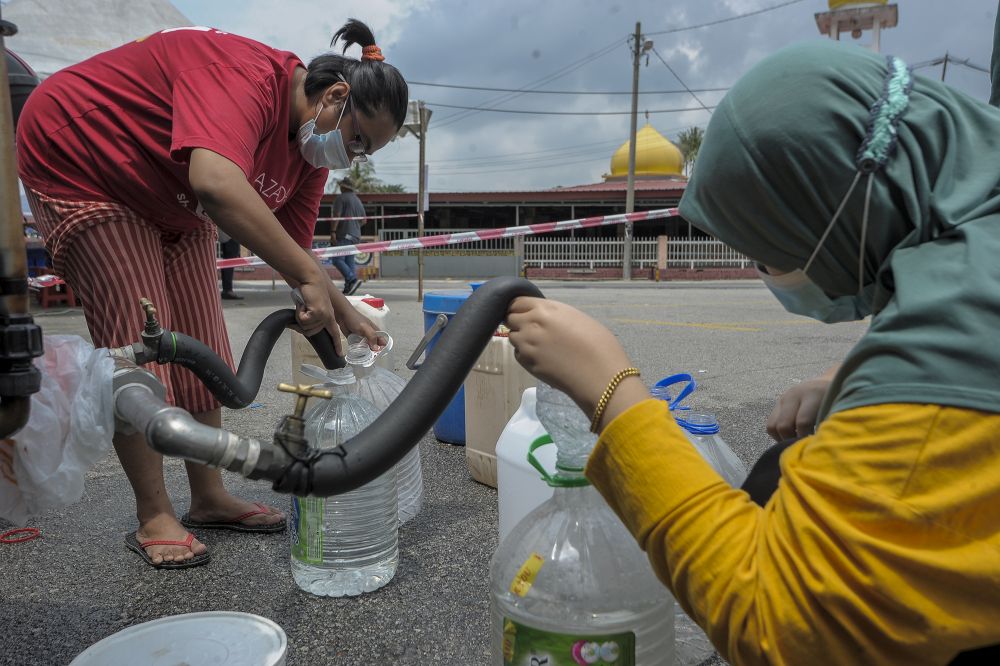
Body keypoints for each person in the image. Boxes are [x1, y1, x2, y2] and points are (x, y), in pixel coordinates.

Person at [507, 40, 1000, 664]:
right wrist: (854, 372)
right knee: (778, 471)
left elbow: (781, 620)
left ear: (835, 211)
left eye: (768, 249)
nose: (765, 272)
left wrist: (613, 392)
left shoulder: (950, 354)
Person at [16, 19, 407, 569]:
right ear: (337, 97)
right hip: (87, 163)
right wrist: (316, 286)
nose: (353, 157)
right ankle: (154, 513)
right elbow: (216, 184)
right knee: (140, 340)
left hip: (169, 196)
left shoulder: (307, 154)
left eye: (364, 153)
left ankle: (208, 496)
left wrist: (347, 313)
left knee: (203, 339)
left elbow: (293, 251)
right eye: (358, 140)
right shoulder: (245, 74)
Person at [330, 175, 366, 295]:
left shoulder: (341, 198)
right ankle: (349, 286)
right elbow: (364, 220)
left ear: (344, 187)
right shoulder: (357, 200)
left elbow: (337, 216)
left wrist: (333, 232)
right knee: (349, 260)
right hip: (355, 236)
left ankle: (351, 278)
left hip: (344, 234)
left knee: (337, 259)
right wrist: (354, 227)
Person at [217, 228, 244, 300]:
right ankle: (228, 290)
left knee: (226, 263)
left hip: (226, 235)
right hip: (231, 234)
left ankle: (226, 290)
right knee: (229, 262)